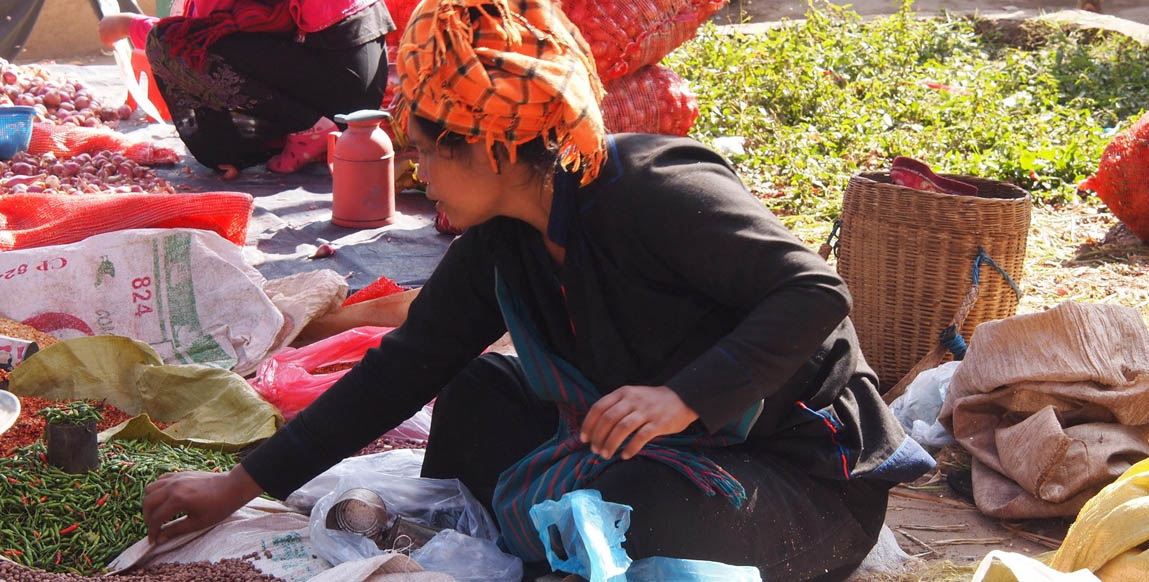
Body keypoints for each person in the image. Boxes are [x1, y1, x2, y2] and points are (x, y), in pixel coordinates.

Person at [141, 0, 935, 578]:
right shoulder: (504, 241)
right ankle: (495, 546)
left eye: (427, 151)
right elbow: (405, 366)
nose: (416, 174)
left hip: (793, 477)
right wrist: (238, 485)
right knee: (480, 388)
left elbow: (812, 293)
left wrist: (684, 397)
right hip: (648, 438)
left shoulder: (651, 188)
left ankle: (549, 543)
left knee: (630, 509)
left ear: (488, 147)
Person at [97, 0, 394, 178]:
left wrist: (129, 25)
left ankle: (307, 127)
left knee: (165, 44)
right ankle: (314, 133)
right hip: (364, 96)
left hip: (337, 84)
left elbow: (189, 38)